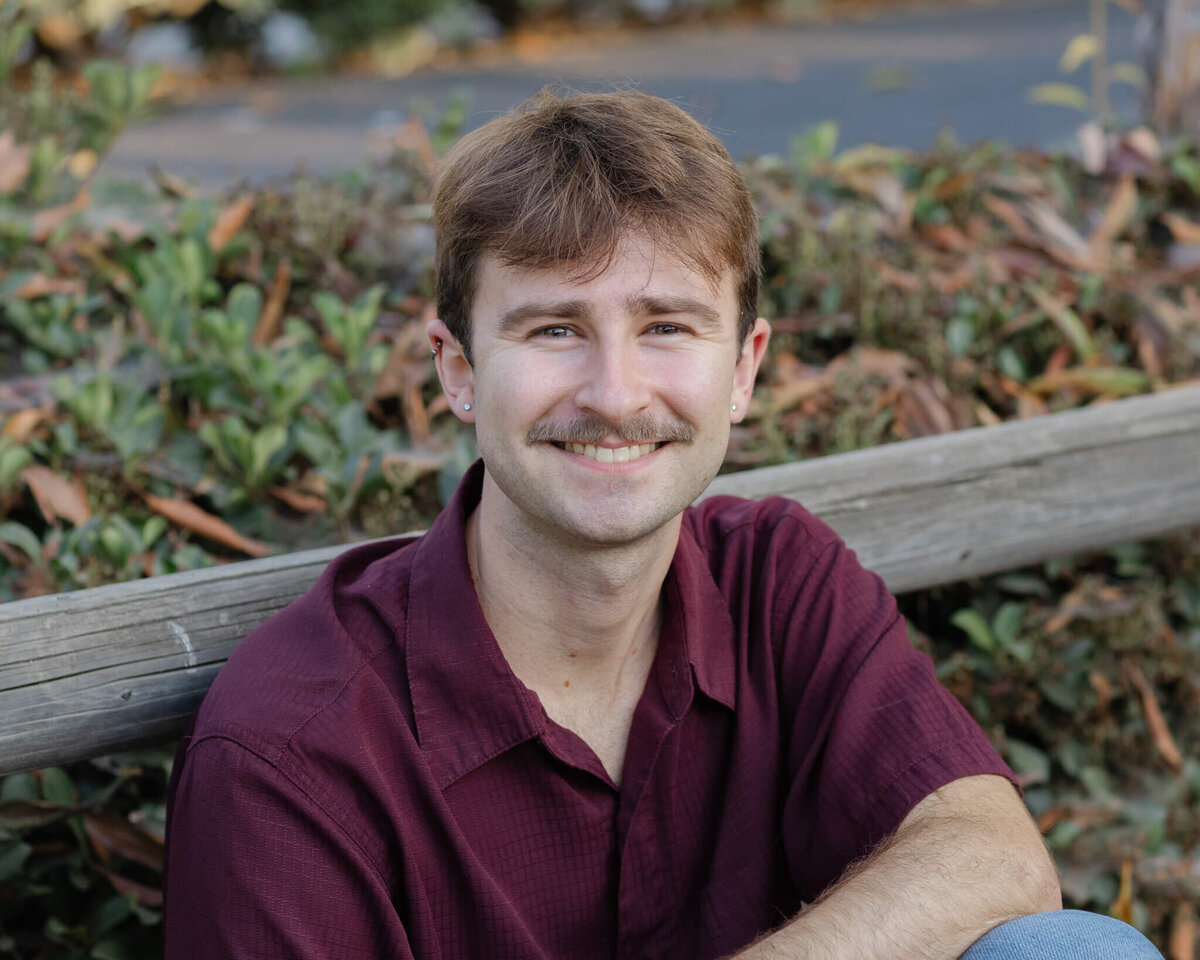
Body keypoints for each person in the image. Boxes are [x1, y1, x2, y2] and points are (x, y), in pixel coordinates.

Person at [163, 89, 1162, 960]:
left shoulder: (776, 582)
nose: (614, 393)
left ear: (743, 368)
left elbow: (992, 855)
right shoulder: (293, 749)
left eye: (667, 327)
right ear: (458, 369)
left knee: (1074, 952)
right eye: (554, 328)